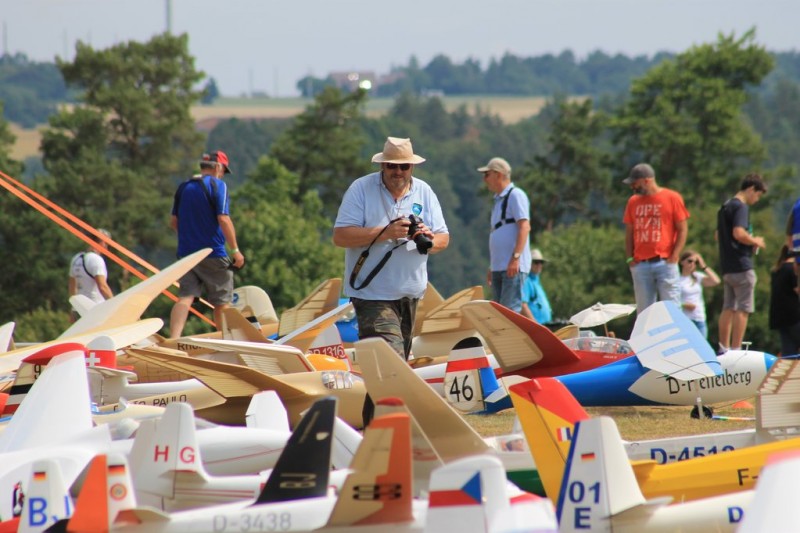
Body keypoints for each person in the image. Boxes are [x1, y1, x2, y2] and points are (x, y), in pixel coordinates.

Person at [333, 137, 449, 424]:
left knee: (385, 373)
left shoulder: (424, 191)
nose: (398, 172)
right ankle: (393, 430)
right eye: (392, 166)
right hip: (373, 295)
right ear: (382, 166)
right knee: (393, 366)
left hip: (410, 295)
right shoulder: (361, 189)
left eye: (404, 166)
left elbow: (444, 238)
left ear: (412, 167)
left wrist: (428, 238)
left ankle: (375, 433)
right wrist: (384, 233)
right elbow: (341, 236)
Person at [169, 150, 245, 338]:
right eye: (223, 171)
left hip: (187, 254)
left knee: (185, 298)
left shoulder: (184, 187)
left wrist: (189, 239)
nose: (222, 175)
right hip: (213, 253)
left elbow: (174, 222)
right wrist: (235, 250)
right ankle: (224, 340)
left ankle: (174, 339)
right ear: (218, 167)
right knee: (222, 302)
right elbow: (223, 219)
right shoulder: (218, 186)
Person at [622, 163, 689, 314]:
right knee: (644, 312)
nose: (632, 186)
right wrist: (629, 258)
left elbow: (682, 228)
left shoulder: (672, 198)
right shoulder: (633, 201)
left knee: (672, 309)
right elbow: (629, 232)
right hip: (640, 264)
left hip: (665, 262)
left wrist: (675, 254)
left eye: (635, 183)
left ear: (647, 180)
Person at [716, 173, 767, 353]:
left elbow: (718, 235)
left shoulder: (725, 207)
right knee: (743, 309)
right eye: (757, 195)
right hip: (741, 265)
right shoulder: (741, 207)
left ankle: (723, 348)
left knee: (728, 307)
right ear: (751, 189)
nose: (756, 200)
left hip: (727, 266)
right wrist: (755, 241)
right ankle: (736, 349)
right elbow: (738, 233)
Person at [478, 157, 531, 313]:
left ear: (498, 175)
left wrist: (516, 258)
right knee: (500, 313)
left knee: (509, 312)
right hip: (500, 266)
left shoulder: (516, 195)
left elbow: (524, 227)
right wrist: (492, 265)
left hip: (512, 266)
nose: (485, 179)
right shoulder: (498, 200)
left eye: (487, 174)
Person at [69, 228, 114, 318]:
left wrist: (73, 308)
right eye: (106, 244)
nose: (106, 248)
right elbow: (103, 287)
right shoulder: (96, 260)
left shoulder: (76, 259)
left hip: (80, 310)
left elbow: (72, 287)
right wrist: (115, 305)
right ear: (102, 242)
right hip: (95, 309)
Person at [678, 249, 720, 339]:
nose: (692, 264)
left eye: (695, 262)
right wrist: (684, 305)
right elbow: (671, 299)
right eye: (690, 261)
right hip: (685, 318)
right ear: (682, 262)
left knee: (702, 344)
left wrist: (703, 266)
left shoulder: (697, 277)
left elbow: (716, 281)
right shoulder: (677, 279)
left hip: (699, 317)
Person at [769, 245, 800, 356]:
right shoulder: (793, 269)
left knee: (789, 355)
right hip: (794, 317)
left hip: (780, 319)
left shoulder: (777, 269)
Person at [521, 248, 552, 323]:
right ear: (529, 263)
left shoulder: (536, 281)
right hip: (535, 327)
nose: (539, 265)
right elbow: (523, 305)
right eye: (536, 262)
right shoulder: (526, 281)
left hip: (544, 325)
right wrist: (535, 325)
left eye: (541, 262)